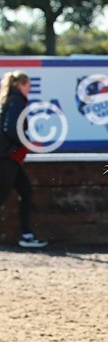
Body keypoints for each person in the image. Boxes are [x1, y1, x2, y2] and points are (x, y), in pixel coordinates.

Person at [0, 71, 48, 249]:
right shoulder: (17, 100)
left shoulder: (9, 99)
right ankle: (27, 235)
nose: (29, 89)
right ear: (21, 84)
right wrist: (24, 142)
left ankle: (27, 235)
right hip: (6, 157)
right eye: (28, 85)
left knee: (26, 191)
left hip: (7, 156)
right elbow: (11, 130)